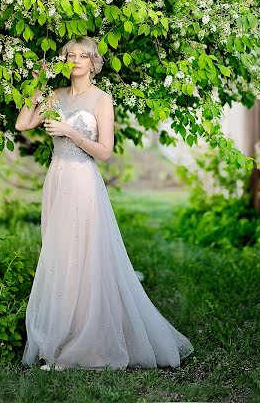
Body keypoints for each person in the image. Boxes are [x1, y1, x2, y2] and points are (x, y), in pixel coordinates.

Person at [15, 36, 194, 371]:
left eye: (84, 55)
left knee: (84, 257)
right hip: (58, 178)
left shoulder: (102, 99)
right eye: (71, 55)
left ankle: (88, 340)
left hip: (83, 180)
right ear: (65, 61)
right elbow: (22, 123)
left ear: (93, 62)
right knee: (60, 257)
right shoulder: (55, 96)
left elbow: (106, 151)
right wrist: (37, 86)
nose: (77, 60)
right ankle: (62, 337)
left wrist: (71, 132)